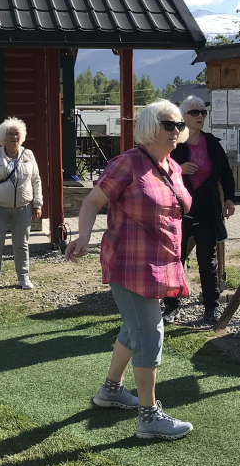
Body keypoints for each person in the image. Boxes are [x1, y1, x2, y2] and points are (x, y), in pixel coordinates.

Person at [65, 99, 194, 440]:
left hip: (162, 262)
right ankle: (148, 418)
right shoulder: (128, 163)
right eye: (170, 124)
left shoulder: (173, 167)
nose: (178, 130)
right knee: (149, 333)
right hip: (129, 263)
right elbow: (92, 201)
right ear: (152, 126)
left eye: (180, 125)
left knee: (133, 328)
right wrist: (83, 238)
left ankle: (110, 390)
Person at [162, 95, 235, 325]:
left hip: (207, 207)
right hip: (178, 208)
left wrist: (230, 199)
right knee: (176, 256)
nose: (200, 116)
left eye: (203, 112)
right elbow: (159, 171)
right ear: (183, 116)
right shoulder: (173, 143)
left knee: (207, 258)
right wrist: (179, 169)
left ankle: (211, 307)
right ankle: (171, 306)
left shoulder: (212, 143)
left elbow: (226, 174)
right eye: (195, 112)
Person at [0, 117, 43, 291]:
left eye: (17, 134)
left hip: (23, 207)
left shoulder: (28, 155)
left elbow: (36, 180)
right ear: (3, 137)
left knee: (22, 244)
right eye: (10, 134)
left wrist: (37, 204)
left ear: (21, 136)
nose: (14, 137)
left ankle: (23, 278)